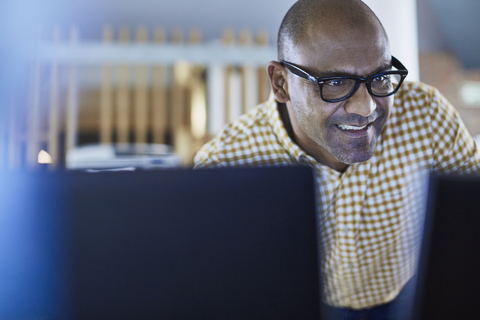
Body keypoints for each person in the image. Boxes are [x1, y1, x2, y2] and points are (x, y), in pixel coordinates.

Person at [194, 0, 480, 318]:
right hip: (298, 306)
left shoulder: (427, 117)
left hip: (404, 296)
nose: (366, 107)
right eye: (335, 83)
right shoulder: (227, 164)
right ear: (281, 83)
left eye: (380, 77)